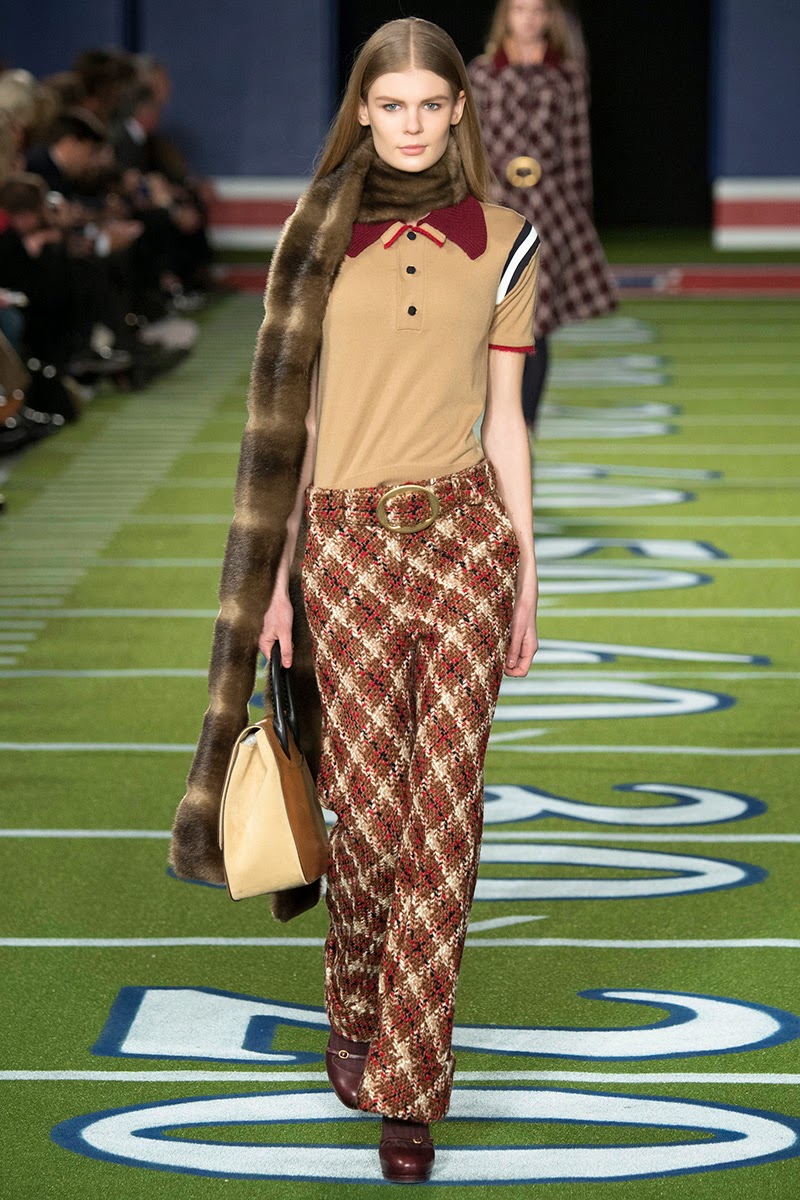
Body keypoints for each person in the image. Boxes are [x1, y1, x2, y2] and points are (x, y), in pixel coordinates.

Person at [169, 16, 540, 1184]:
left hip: (464, 541)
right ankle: (353, 1001)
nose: (412, 125)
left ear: (459, 110)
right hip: (343, 548)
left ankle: (409, 1086)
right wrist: (278, 582)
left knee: (447, 821)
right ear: (362, 112)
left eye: (432, 104)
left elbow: (507, 422)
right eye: (391, 106)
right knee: (370, 822)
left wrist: (527, 575)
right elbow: (299, 420)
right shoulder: (316, 233)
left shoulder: (506, 239)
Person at [468, 0, 617, 427]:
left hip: (549, 208)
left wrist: (580, 214)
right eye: (520, 9)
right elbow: (470, 144)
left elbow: (576, 148)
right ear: (506, 15)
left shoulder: (567, 75)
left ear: (550, 17)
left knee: (538, 316)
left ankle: (525, 425)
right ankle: (492, 420)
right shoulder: (481, 73)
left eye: (537, 10)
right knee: (489, 314)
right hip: (496, 206)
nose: (529, 18)